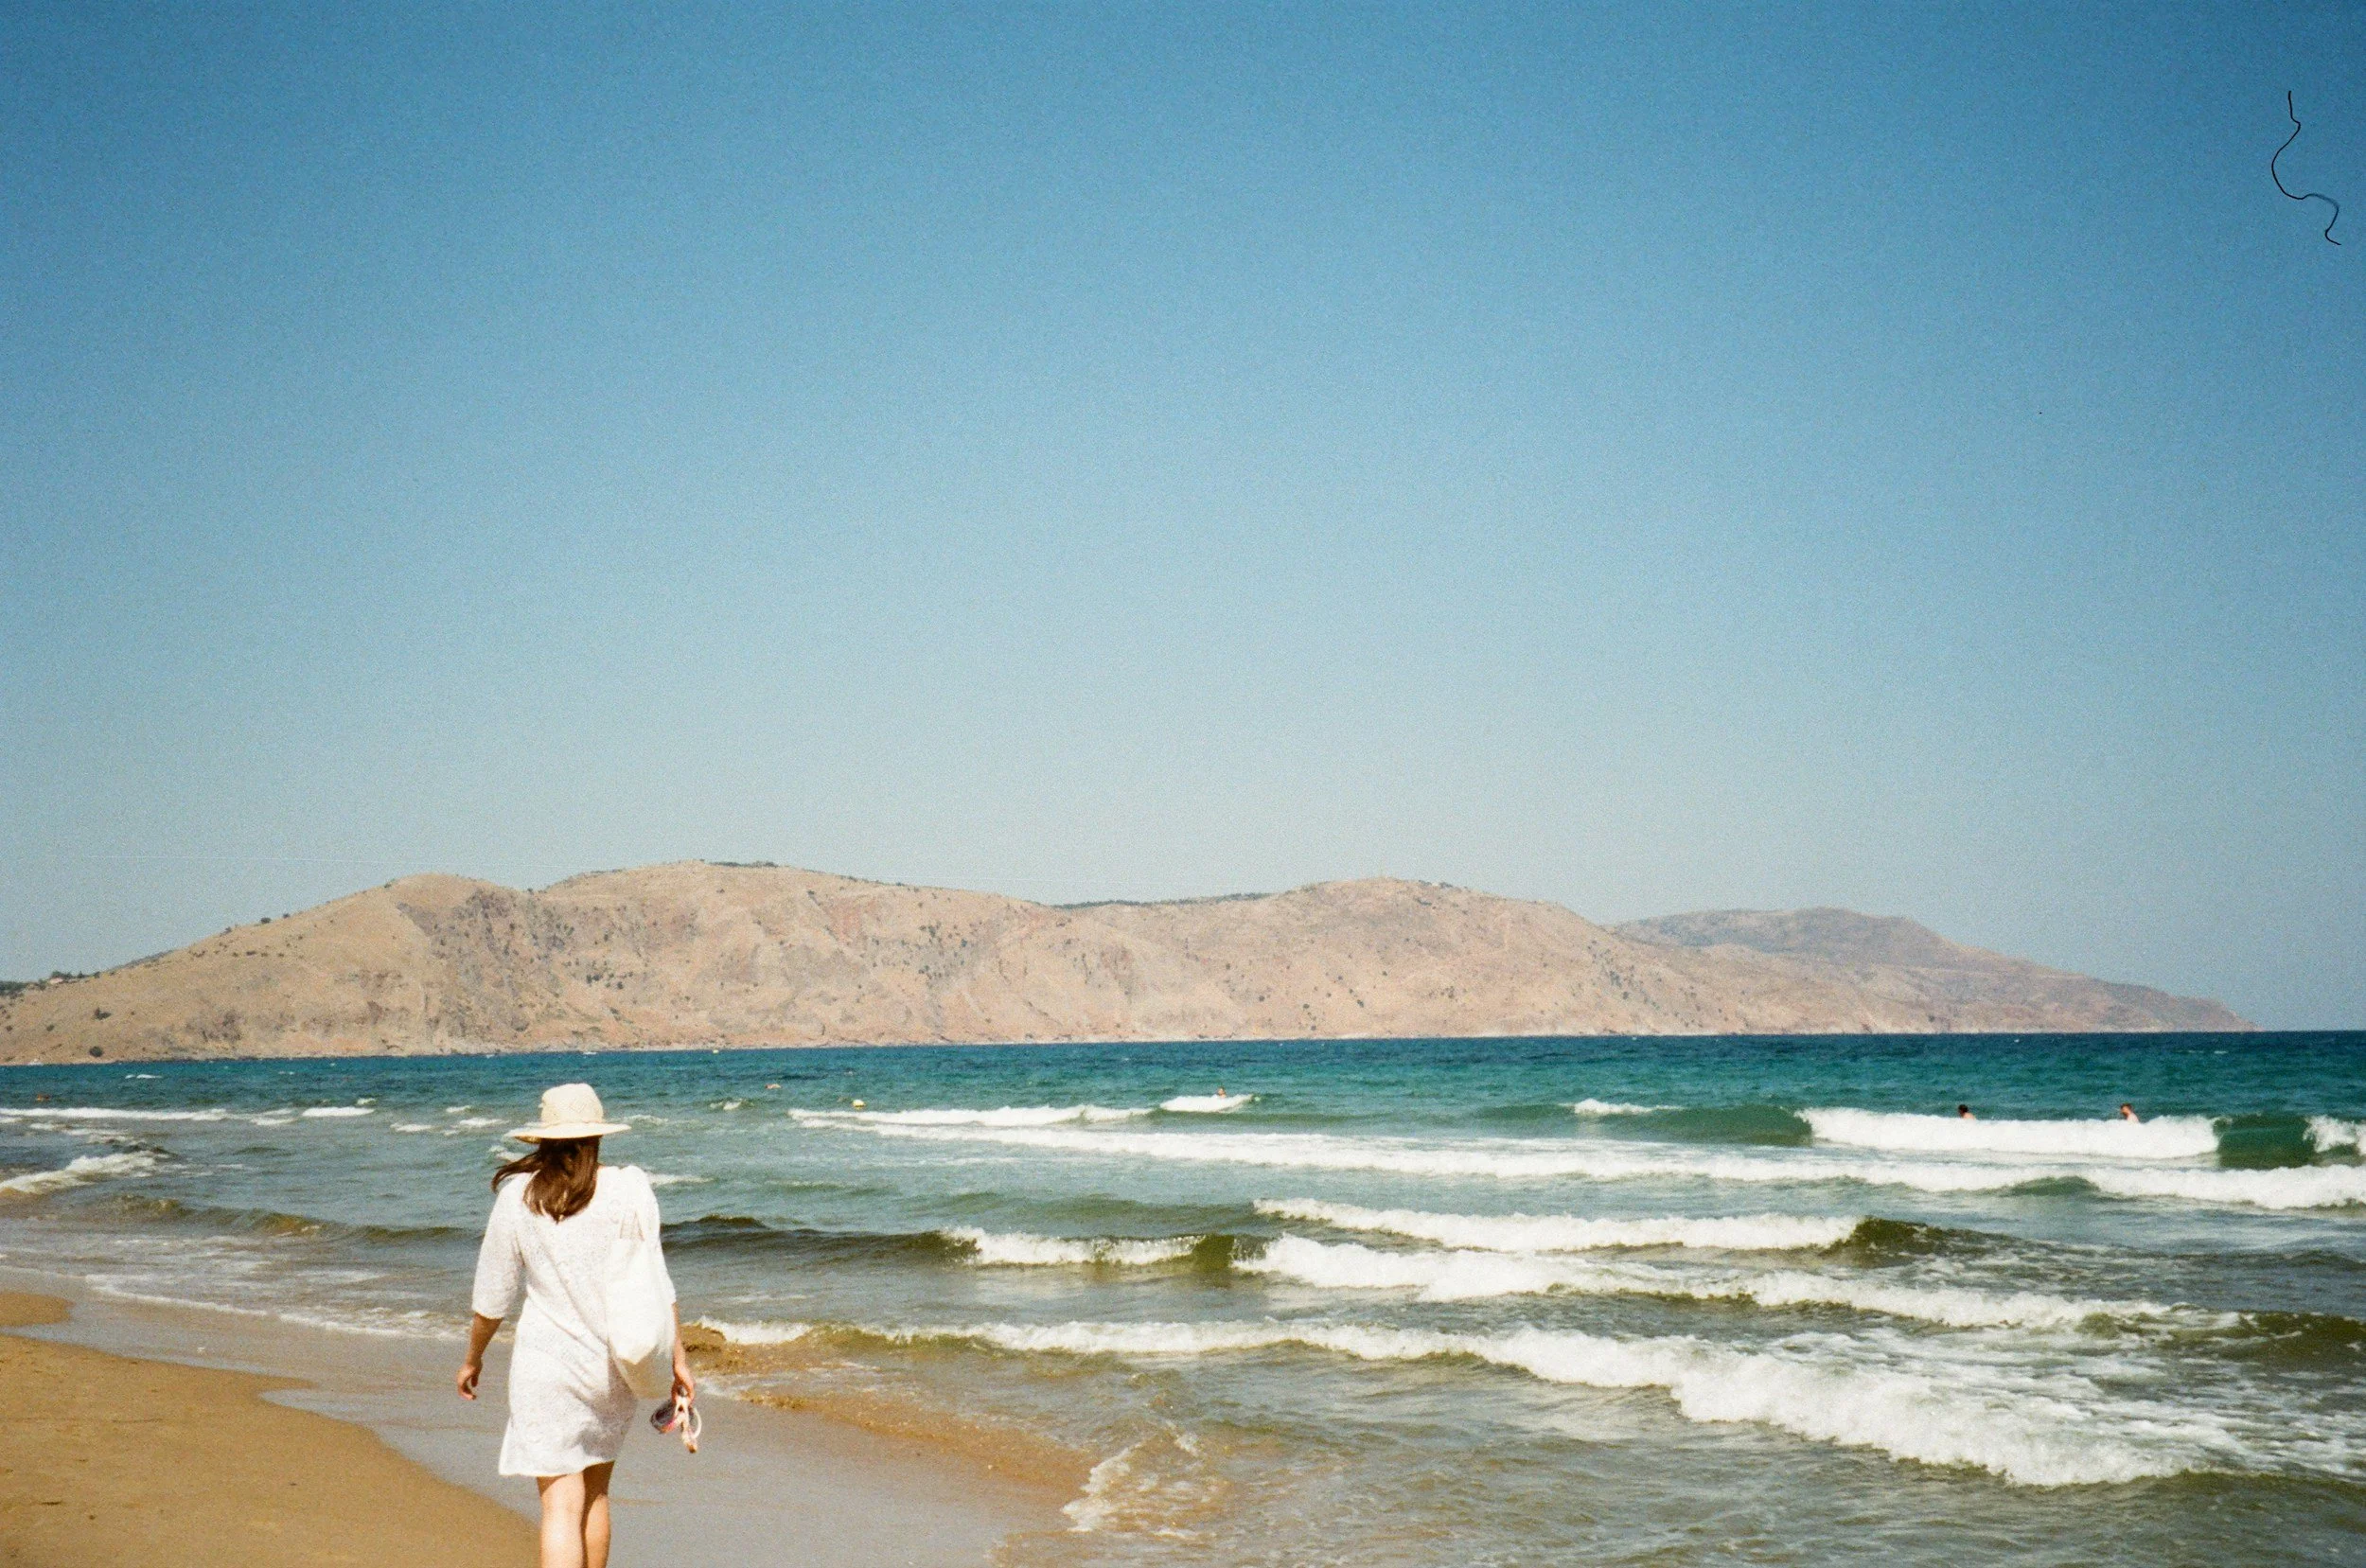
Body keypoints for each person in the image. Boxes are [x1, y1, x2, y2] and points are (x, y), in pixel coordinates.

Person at [458, 1084, 693, 1568]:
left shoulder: (518, 1197)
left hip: (544, 1369)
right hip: (610, 1370)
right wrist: (679, 1359)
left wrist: (472, 1358)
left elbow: (493, 1296)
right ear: (597, 1136)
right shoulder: (629, 1188)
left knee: (559, 1507)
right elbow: (656, 1281)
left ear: (543, 1139)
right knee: (596, 1497)